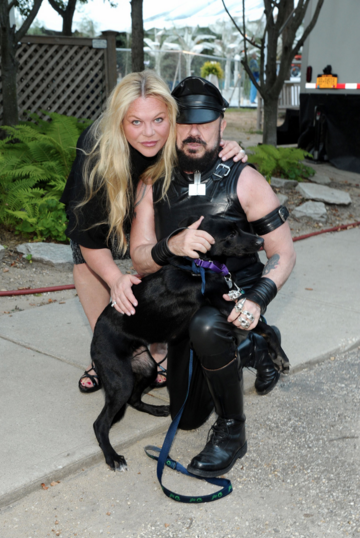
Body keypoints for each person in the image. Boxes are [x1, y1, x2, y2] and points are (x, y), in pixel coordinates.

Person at [130, 76, 296, 478]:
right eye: (184, 121)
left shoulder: (245, 179)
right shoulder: (153, 182)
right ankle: (255, 349)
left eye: (204, 122)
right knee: (185, 418)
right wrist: (171, 246)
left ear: (222, 124)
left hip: (233, 300)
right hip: (184, 304)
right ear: (172, 124)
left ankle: (232, 432)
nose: (193, 132)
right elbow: (139, 259)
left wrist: (257, 298)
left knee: (208, 325)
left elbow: (283, 252)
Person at [60, 70, 247, 392]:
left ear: (173, 117)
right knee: (86, 260)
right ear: (120, 121)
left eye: (159, 120)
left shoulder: (179, 139)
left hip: (151, 209)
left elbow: (207, 145)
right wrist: (116, 279)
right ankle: (106, 351)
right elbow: (86, 237)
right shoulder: (95, 150)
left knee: (164, 253)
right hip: (105, 208)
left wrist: (226, 146)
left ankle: (158, 350)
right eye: (135, 122)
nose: (149, 133)